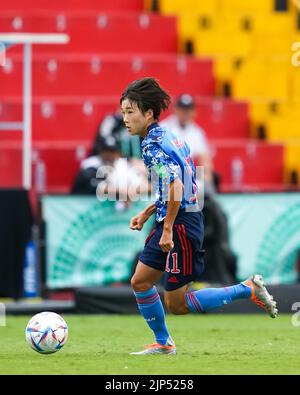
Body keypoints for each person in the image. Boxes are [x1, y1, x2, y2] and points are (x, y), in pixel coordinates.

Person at [120, 77, 278, 356]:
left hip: (181, 224)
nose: (125, 119)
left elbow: (176, 186)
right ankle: (163, 343)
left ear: (148, 113)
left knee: (177, 305)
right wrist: (148, 213)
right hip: (174, 216)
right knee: (141, 281)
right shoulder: (168, 136)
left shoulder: (152, 145)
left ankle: (247, 288)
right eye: (123, 112)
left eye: (130, 112)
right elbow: (178, 181)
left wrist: (167, 228)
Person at [161, 93, 214, 188]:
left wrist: (206, 177)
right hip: (169, 172)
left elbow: (204, 157)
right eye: (183, 110)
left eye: (189, 110)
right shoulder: (164, 128)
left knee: (210, 181)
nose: (186, 113)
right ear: (176, 110)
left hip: (188, 174)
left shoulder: (197, 131)